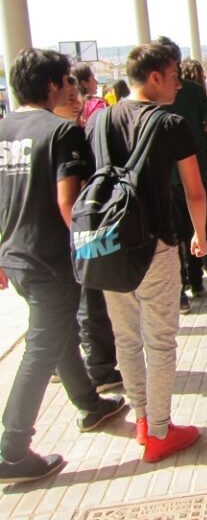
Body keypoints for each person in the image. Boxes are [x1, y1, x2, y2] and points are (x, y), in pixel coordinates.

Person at [0, 49, 127, 484]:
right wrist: (89, 251)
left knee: (57, 335)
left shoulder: (5, 129)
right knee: (41, 346)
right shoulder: (61, 133)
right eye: (68, 82)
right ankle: (12, 446)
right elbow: (67, 203)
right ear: (52, 85)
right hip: (52, 258)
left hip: (15, 254)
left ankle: (90, 405)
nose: (74, 90)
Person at [94, 42, 207, 462]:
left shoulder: (100, 119)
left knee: (126, 336)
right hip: (156, 240)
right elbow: (195, 192)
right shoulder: (171, 123)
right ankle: (161, 431)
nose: (180, 81)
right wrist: (200, 235)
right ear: (156, 77)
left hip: (108, 245)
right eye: (175, 73)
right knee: (160, 338)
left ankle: (142, 420)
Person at [52, 75, 124, 393]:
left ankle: (66, 365)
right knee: (89, 302)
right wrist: (87, 238)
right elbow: (70, 197)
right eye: (69, 97)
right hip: (73, 230)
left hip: (45, 238)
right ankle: (99, 369)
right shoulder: (67, 136)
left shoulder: (37, 135)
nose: (77, 102)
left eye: (76, 95)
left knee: (64, 306)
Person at [155, 38, 207, 314]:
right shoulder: (194, 92)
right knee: (203, 231)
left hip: (162, 179)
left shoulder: (151, 97)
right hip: (194, 170)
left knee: (173, 236)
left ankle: (182, 292)